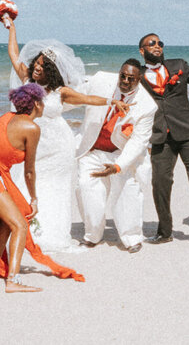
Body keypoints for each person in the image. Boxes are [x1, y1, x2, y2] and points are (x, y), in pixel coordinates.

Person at [1, 13, 129, 251]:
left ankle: (49, 230)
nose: (37, 68)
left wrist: (113, 102)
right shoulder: (26, 79)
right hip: (33, 142)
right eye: (37, 64)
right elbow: (13, 53)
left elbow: (89, 98)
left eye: (42, 66)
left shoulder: (61, 91)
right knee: (27, 180)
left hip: (58, 145)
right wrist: (11, 28)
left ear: (51, 70)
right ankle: (21, 226)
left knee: (55, 186)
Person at [0, 82, 85, 290]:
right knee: (20, 225)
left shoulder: (7, 117)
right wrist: (34, 199)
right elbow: (29, 171)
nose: (44, 104)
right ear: (35, 104)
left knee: (9, 219)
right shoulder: (31, 128)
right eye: (41, 101)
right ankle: (13, 281)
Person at [139, 32, 189, 253]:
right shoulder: (136, 75)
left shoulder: (178, 65)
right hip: (159, 137)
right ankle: (164, 231)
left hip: (188, 133)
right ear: (142, 50)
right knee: (160, 185)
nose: (157, 46)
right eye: (152, 43)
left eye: (160, 43)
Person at [74, 59, 157, 252]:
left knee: (127, 193)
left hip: (121, 154)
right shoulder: (101, 79)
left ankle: (132, 238)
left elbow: (138, 142)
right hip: (92, 149)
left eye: (131, 79)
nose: (125, 81)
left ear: (139, 79)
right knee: (87, 189)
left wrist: (119, 166)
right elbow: (76, 96)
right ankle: (92, 235)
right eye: (123, 76)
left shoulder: (147, 106)